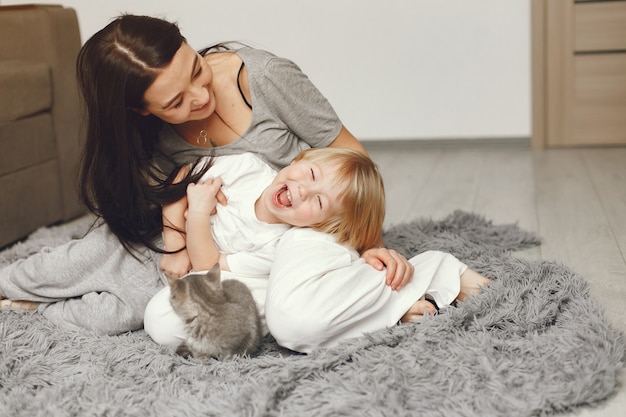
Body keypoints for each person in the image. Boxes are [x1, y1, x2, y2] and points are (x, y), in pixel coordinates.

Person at [0, 14, 412, 334]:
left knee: (134, 310)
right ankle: (18, 286)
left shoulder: (265, 77)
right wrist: (178, 245)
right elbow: (167, 199)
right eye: (177, 101)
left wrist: (367, 244)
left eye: (197, 70)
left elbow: (350, 156)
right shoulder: (146, 136)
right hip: (185, 230)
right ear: (142, 111)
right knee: (88, 259)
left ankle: (39, 308)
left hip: (263, 250)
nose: (202, 97)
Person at [144, 147, 386, 346]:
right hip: (173, 254)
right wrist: (176, 240)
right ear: (298, 159)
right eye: (311, 174)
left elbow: (206, 265)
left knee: (162, 320)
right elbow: (183, 177)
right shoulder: (245, 168)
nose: (304, 189)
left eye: (319, 201)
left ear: (322, 225)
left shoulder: (279, 245)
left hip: (225, 275)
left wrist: (197, 212)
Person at [265, 226, 492, 353]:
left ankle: (411, 299)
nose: (300, 188)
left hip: (286, 329)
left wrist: (371, 249)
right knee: (432, 263)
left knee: (382, 281)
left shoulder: (303, 235)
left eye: (319, 199)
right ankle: (401, 306)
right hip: (295, 317)